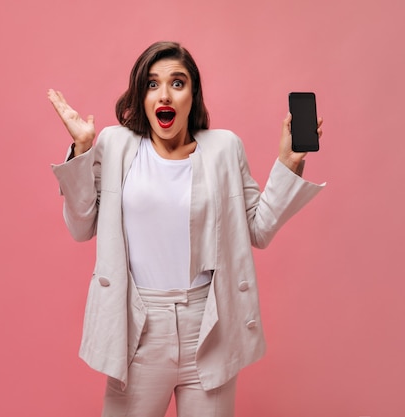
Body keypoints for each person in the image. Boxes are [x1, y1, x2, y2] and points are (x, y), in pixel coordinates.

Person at [48, 41, 325, 417]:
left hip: (209, 323)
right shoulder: (115, 145)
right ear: (141, 95)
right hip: (138, 325)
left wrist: (288, 163)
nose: (164, 94)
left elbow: (257, 229)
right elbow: (81, 226)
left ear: (193, 94)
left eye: (177, 83)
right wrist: (81, 148)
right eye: (152, 84)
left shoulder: (224, 148)